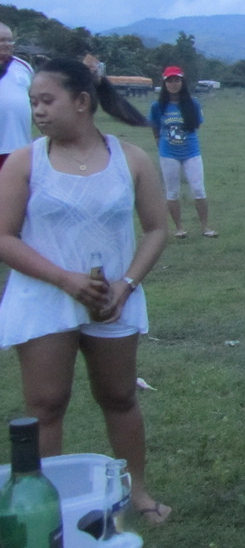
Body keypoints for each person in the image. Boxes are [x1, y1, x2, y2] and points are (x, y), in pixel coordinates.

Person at [0, 57, 171, 523]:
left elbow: (156, 229)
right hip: (44, 299)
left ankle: (138, 493)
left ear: (81, 102)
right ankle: (44, 504)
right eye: (33, 102)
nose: (37, 111)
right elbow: (5, 237)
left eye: (47, 100)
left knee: (120, 397)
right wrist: (65, 279)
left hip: (111, 302)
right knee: (46, 405)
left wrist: (127, 284)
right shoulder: (24, 161)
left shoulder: (130, 159)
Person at [149, 66, 216, 238]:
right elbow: (155, 128)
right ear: (165, 84)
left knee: (198, 189)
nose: (173, 84)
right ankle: (179, 228)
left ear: (182, 82)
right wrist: (161, 145)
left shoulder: (193, 103)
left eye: (176, 80)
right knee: (172, 191)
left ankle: (205, 227)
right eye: (169, 81)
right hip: (168, 153)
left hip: (191, 152)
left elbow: (196, 125)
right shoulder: (157, 106)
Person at [0, 22, 33, 173]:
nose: (7, 45)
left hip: (18, 148)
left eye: (9, 40)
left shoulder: (23, 67)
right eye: (1, 40)